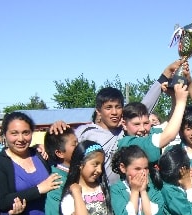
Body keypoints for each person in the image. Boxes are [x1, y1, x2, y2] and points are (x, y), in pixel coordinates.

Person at [50, 60, 185, 185]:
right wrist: (54, 131)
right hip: (96, 194)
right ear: (98, 111)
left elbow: (143, 107)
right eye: (108, 108)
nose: (114, 112)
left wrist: (165, 74)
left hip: (122, 194)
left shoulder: (125, 132)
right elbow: (63, 147)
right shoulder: (85, 132)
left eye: (118, 107)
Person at [118, 82, 188, 164]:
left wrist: (174, 96)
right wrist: (181, 101)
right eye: (136, 124)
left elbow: (170, 125)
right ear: (124, 124)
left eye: (146, 123)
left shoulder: (150, 133)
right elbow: (169, 136)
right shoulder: (126, 143)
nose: (142, 129)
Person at [44, 128, 78, 215]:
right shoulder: (56, 180)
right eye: (74, 144)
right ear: (59, 153)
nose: (78, 146)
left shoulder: (77, 173)